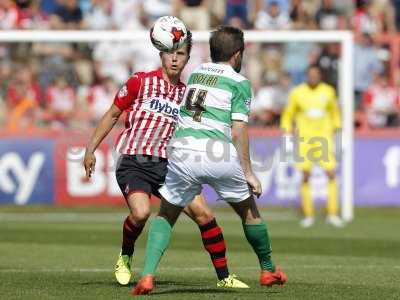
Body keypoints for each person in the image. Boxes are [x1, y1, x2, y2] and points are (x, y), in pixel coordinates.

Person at [83, 28, 248, 289]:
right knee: (140, 213)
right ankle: (125, 255)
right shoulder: (140, 81)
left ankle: (224, 277)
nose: (174, 59)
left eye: (180, 54)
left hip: (169, 166)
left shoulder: (188, 93)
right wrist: (90, 149)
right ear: (161, 55)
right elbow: (113, 114)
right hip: (134, 160)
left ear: (187, 58)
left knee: (204, 215)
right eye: (170, 53)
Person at [133, 26, 287, 295]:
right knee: (249, 212)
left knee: (166, 214)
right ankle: (267, 269)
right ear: (237, 55)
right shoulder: (240, 83)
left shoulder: (196, 73)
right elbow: (239, 130)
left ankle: (147, 276)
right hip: (217, 152)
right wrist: (248, 172)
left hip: (182, 151)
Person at [280, 65, 343, 228]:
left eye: (316, 74)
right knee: (306, 176)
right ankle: (308, 215)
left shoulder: (328, 91)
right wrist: (287, 131)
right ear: (306, 76)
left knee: (331, 174)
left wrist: (337, 128)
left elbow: (335, 112)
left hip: (324, 139)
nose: (313, 77)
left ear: (320, 75)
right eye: (310, 75)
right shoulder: (297, 92)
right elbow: (288, 114)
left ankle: (332, 214)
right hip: (304, 139)